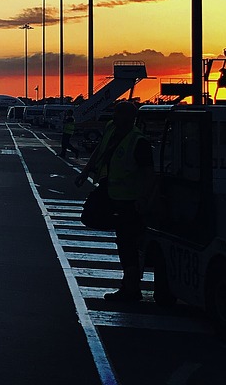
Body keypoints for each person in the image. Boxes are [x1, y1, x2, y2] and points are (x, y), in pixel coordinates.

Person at [76, 101, 154, 302]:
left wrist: (144, 199)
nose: (115, 118)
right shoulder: (111, 128)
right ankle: (130, 284)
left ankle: (130, 288)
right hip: (109, 192)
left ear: (130, 118)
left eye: (119, 115)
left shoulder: (138, 141)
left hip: (129, 200)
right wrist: (85, 172)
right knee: (91, 217)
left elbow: (148, 174)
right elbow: (99, 150)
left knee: (127, 244)